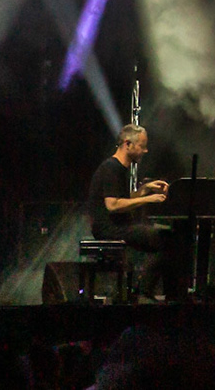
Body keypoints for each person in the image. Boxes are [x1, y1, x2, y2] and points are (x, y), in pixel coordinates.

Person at [85, 124, 174, 299]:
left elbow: (122, 198)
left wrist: (144, 189)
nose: (145, 151)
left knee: (166, 239)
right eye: (142, 146)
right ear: (128, 144)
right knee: (166, 239)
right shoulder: (111, 168)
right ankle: (143, 290)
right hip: (109, 229)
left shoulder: (117, 168)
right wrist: (148, 199)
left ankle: (144, 289)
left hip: (116, 227)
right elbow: (113, 205)